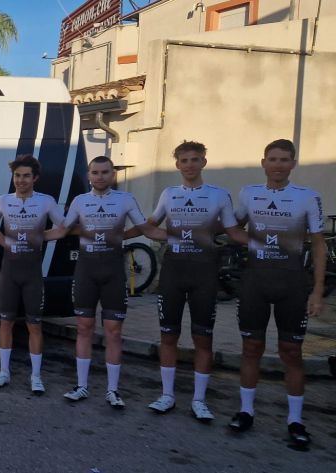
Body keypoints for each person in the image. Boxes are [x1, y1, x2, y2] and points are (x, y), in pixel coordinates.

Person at [137, 141, 245, 421]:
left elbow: (234, 231)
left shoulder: (219, 195)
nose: (189, 165)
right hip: (173, 272)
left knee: (203, 338)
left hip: (204, 274)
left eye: (195, 159)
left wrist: (269, 241)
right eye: (184, 160)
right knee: (168, 336)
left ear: (204, 162)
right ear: (177, 165)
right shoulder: (169, 194)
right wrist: (166, 235)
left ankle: (199, 400)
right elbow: (149, 226)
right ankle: (167, 395)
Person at [45, 156, 164, 408]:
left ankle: (113, 390)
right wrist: (32, 235)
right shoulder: (80, 201)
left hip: (113, 272)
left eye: (105, 172)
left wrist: (177, 236)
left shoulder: (125, 199)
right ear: (89, 175)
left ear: (113, 174)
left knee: (114, 331)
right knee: (84, 328)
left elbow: (146, 228)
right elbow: (63, 230)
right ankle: (81, 386)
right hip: (86, 271)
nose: (100, 177)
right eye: (95, 172)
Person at [228, 139, 325, 448]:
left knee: (292, 352)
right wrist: (250, 241)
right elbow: (232, 227)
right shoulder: (249, 193)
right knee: (251, 348)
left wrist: (318, 290)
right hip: (255, 282)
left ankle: (295, 420)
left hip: (292, 284)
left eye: (284, 159)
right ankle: (246, 411)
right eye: (273, 159)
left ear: (293, 164)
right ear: (263, 163)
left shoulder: (308, 197)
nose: (278, 165)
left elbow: (319, 244)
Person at [0, 155, 64, 395]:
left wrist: (40, 236)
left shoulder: (46, 201)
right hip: (9, 272)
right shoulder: (3, 200)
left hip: (32, 274)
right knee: (5, 322)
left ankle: (36, 376)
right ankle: (4, 372)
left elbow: (63, 228)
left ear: (35, 178)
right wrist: (4, 242)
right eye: (17, 176)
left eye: (26, 176)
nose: (21, 180)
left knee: (35, 325)